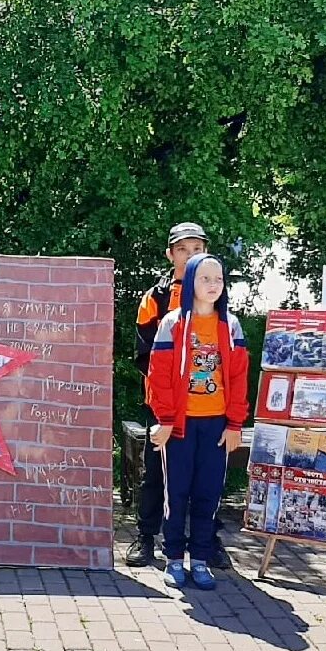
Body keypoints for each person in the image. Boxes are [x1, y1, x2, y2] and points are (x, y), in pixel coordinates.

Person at [145, 254, 249, 591]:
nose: (213, 285)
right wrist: (163, 419)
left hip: (216, 426)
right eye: (205, 278)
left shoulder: (230, 326)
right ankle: (174, 558)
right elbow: (158, 375)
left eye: (218, 279)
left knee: (208, 495)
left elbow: (239, 376)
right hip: (179, 426)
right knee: (176, 494)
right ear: (190, 281)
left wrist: (234, 424)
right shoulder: (172, 324)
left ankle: (201, 559)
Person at [129, 222, 226, 569]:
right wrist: (173, 392)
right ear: (170, 254)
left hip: (208, 406)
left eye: (196, 249)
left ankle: (208, 541)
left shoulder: (217, 298)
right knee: (156, 472)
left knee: (206, 475)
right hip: (165, 404)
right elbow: (143, 355)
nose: (189, 256)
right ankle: (145, 537)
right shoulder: (153, 298)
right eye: (182, 249)